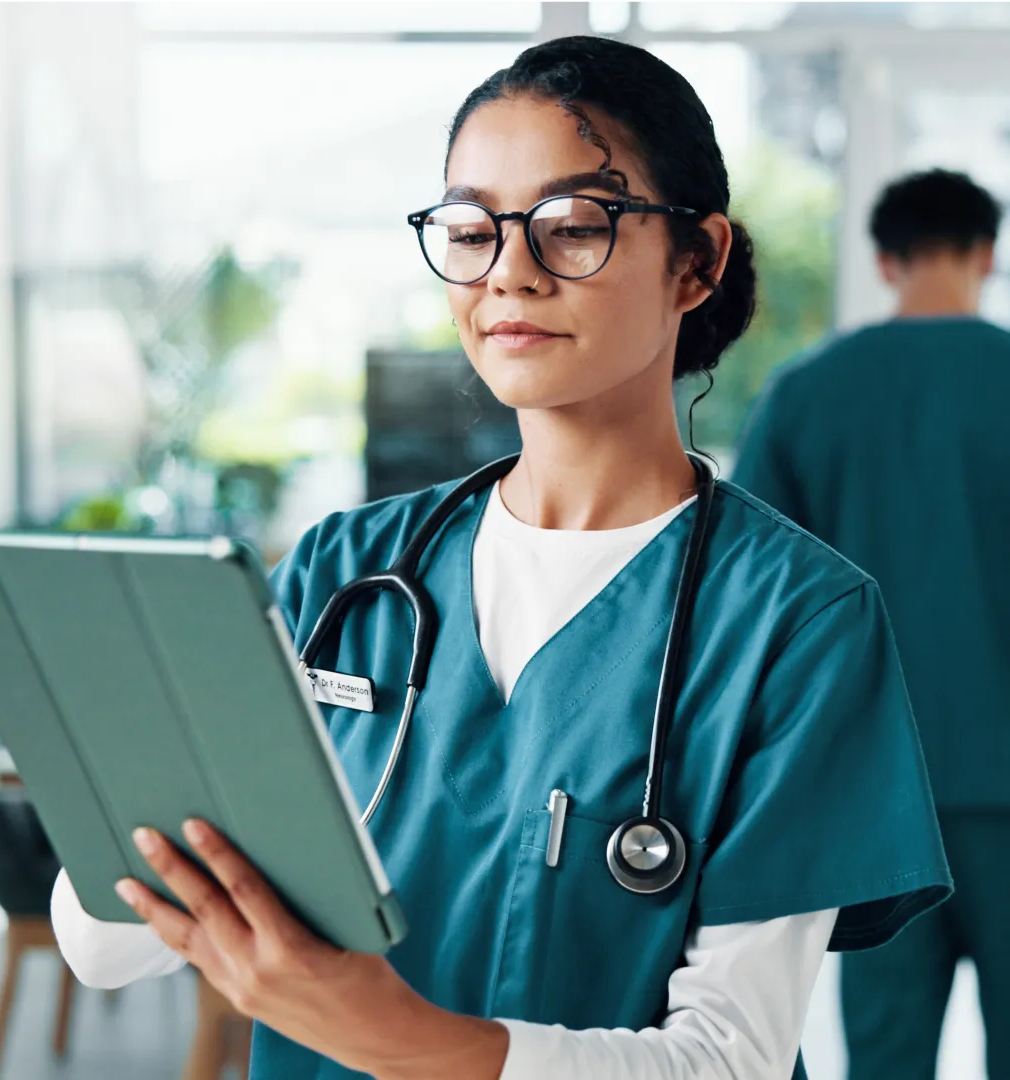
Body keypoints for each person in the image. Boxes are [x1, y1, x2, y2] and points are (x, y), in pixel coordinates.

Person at [52, 37, 951, 1080]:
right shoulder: (345, 571)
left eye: (574, 227)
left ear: (696, 260)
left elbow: (730, 1061)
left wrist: (392, 1037)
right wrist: (129, 756)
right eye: (473, 230)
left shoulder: (798, 620)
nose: (510, 273)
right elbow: (104, 945)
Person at [732, 167, 1010, 1079]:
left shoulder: (807, 395)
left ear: (885, 260)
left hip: (876, 793)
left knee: (886, 1054)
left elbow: (756, 601)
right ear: (988, 254)